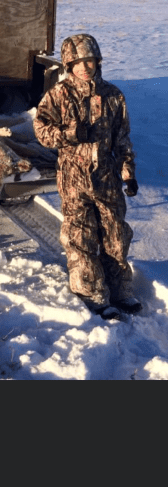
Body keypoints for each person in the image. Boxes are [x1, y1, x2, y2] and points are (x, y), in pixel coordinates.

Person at [34, 34, 141, 320]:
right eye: (78, 62)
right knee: (80, 235)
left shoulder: (114, 95)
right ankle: (92, 292)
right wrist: (69, 134)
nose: (84, 67)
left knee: (115, 234)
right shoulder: (59, 94)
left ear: (97, 62)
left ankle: (120, 290)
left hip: (107, 178)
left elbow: (122, 138)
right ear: (69, 64)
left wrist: (128, 172)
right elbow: (41, 130)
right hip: (74, 178)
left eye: (89, 61)